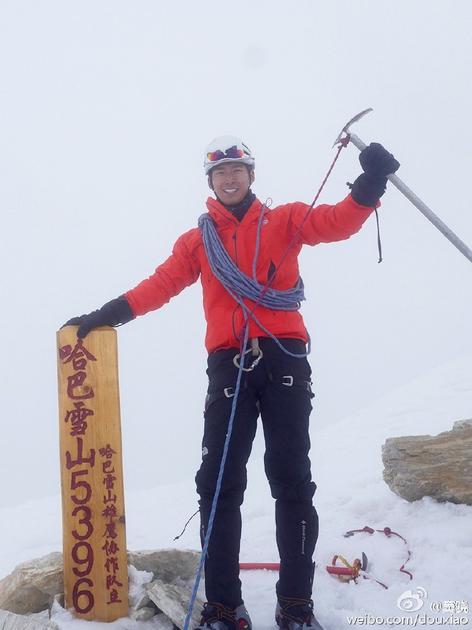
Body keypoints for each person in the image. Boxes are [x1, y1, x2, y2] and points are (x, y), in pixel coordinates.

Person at [64, 135, 399, 630]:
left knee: (292, 484)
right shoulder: (199, 239)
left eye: (237, 169)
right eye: (220, 173)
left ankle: (296, 605)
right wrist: (110, 313)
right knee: (218, 487)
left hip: (284, 358)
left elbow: (336, 221)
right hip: (229, 364)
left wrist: (371, 183)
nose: (229, 178)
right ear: (211, 182)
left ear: (251, 175)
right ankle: (223, 606)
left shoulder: (284, 219)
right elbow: (161, 284)